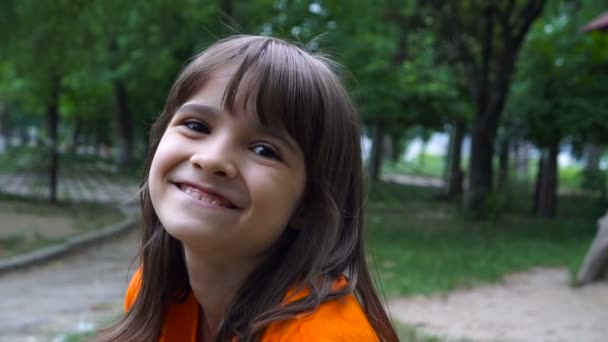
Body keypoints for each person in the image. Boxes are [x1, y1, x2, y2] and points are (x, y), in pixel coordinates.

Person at [95, 35, 399, 342]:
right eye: (197, 126)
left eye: (264, 150)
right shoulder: (154, 291)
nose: (212, 159)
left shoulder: (323, 335)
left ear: (308, 205)